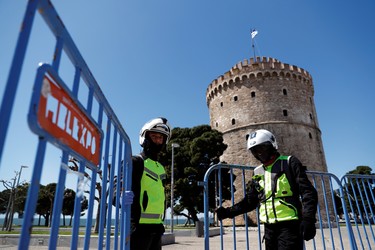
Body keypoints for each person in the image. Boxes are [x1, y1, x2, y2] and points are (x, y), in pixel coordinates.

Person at [216, 129, 318, 250]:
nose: (259, 153)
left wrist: (308, 219)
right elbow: (250, 201)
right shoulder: (257, 171)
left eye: (262, 148)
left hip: (289, 226)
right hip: (269, 229)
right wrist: (228, 212)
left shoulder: (289, 162)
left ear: (272, 145)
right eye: (255, 151)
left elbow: (308, 192)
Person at [130, 117, 171, 250]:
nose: (158, 141)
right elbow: (118, 184)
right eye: (154, 137)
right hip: (139, 227)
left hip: (157, 227)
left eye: (161, 138)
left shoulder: (160, 167)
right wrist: (118, 195)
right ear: (145, 137)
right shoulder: (136, 161)